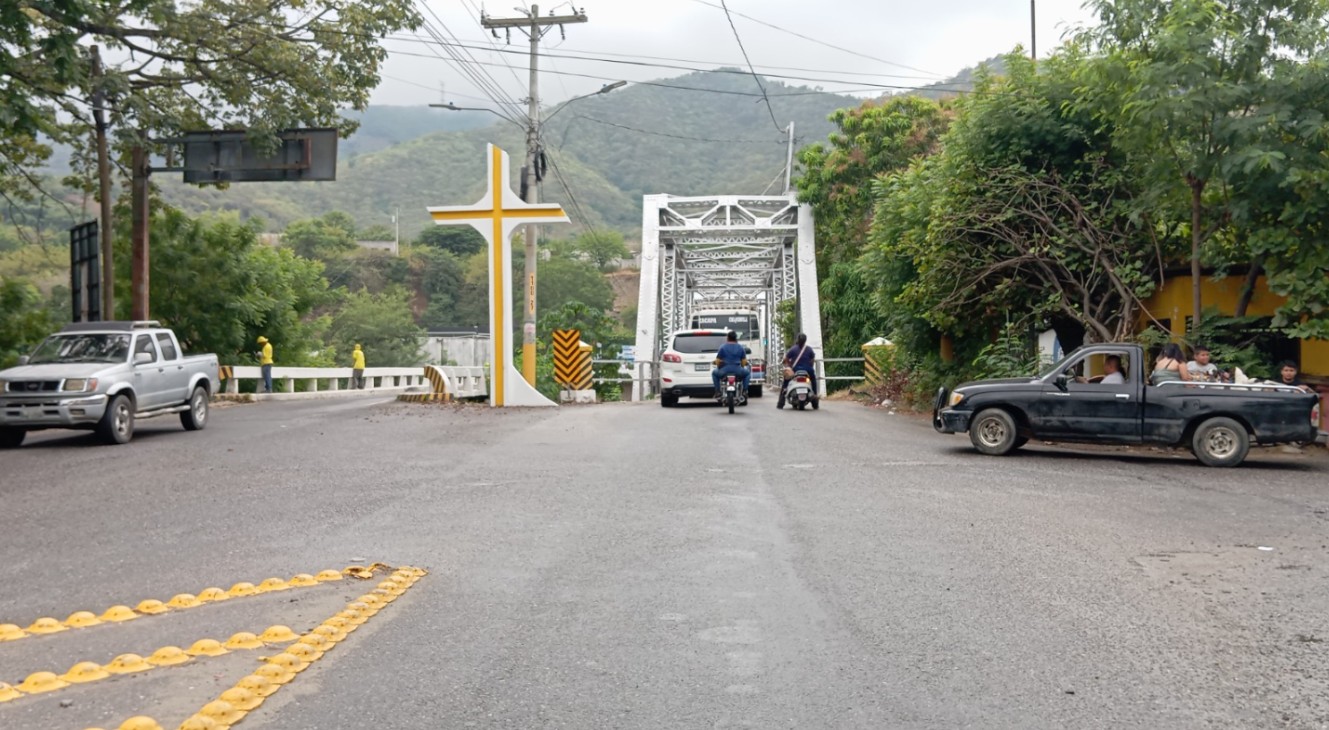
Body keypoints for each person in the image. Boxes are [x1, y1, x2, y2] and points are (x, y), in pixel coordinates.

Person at [780, 333, 818, 408]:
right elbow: (812, 360)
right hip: (807, 370)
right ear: (805, 340)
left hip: (795, 369)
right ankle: (814, 396)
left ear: (797, 340)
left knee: (786, 379)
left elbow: (786, 359)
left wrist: (789, 365)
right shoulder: (809, 349)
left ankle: (782, 397)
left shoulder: (793, 349)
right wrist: (810, 366)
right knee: (813, 379)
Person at [711, 330, 750, 398]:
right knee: (747, 374)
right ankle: (745, 390)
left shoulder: (722, 347)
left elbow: (718, 361)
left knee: (714, 373)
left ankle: (718, 391)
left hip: (724, 371)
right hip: (738, 370)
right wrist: (743, 365)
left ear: (728, 338)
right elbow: (743, 361)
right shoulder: (740, 347)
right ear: (736, 338)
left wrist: (717, 364)